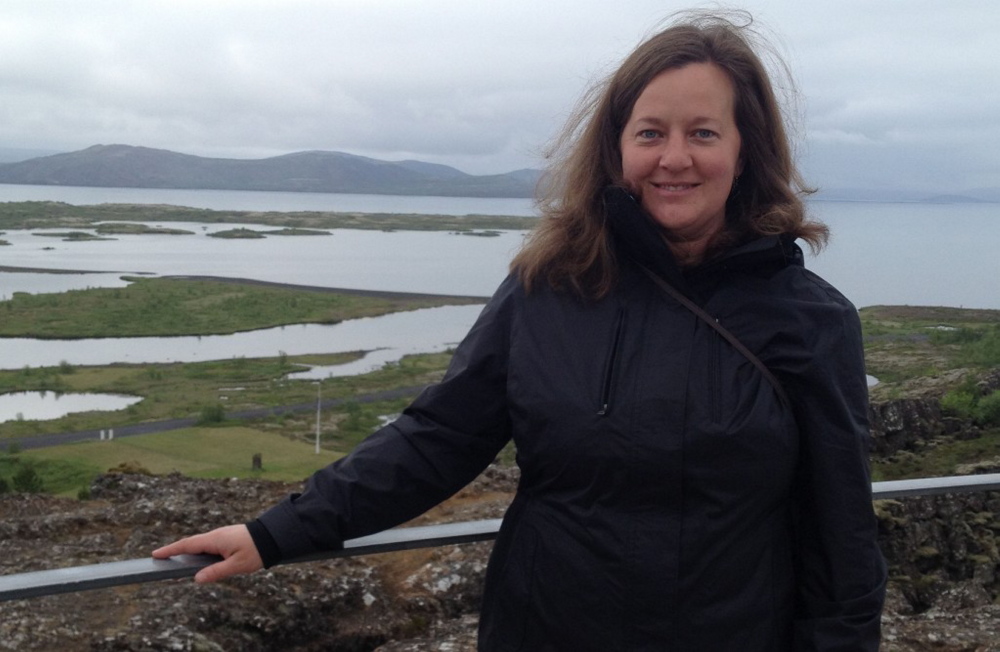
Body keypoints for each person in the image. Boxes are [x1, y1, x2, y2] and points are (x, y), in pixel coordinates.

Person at [154, 11, 887, 651]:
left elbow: (841, 538)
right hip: (541, 629)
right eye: (650, 133)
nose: (674, 158)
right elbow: (439, 436)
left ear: (746, 150)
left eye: (703, 132)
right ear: (616, 148)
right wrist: (276, 532)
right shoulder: (551, 287)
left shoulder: (809, 320)